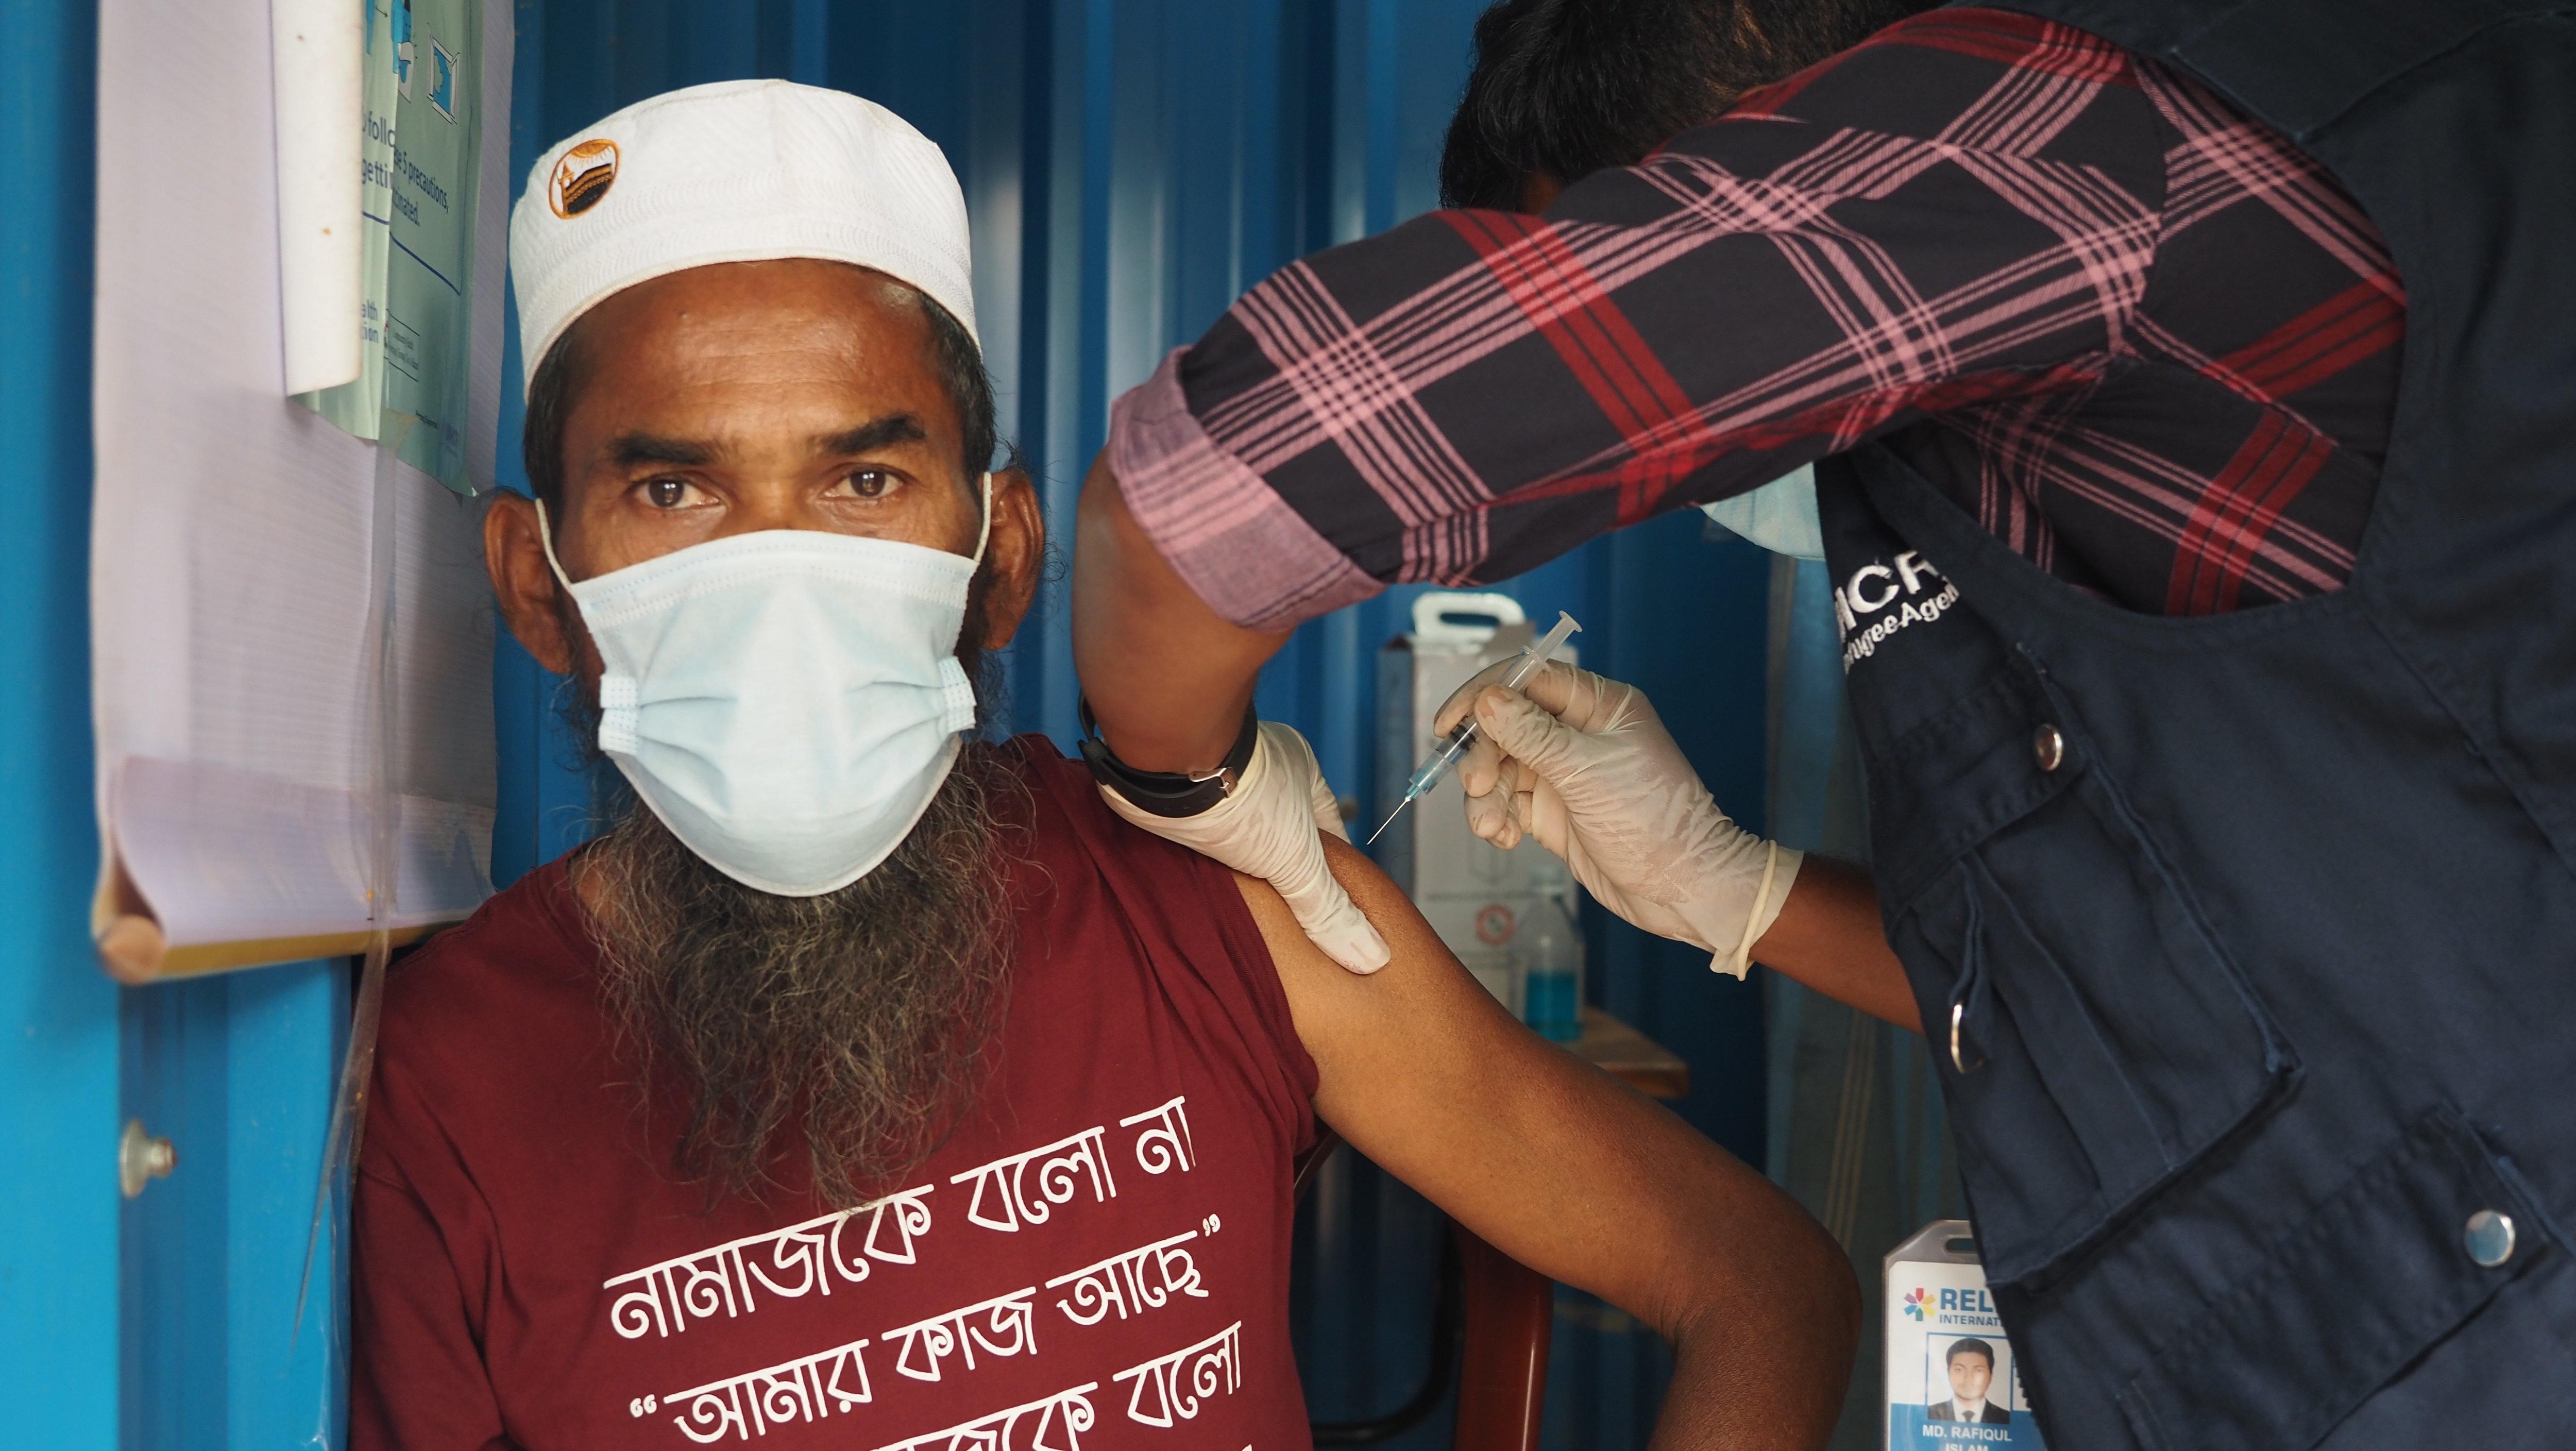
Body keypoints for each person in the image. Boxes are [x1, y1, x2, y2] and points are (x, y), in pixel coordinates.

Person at [1069, 0, 2576, 1445]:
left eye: (1618, 254)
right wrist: (1739, 886)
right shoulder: (2087, 407)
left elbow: (1216, 475)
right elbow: (2201, 958)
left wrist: (1190, 776)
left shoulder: (2060, 136)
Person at [349, 80, 1863, 1451]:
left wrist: (1745, 887)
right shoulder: (442, 1086)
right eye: (674, 489)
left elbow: (1756, 1282)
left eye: (865, 476)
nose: (780, 584)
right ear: (537, 582)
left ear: (1002, 554)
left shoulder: (1219, 901)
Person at [1925, 1340, 2010, 1425]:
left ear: (1991, 1376)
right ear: (1948, 1373)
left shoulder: (2007, 1418)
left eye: (1978, 1371)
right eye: (1959, 1370)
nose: (1968, 1379)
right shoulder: (1929, 1414)